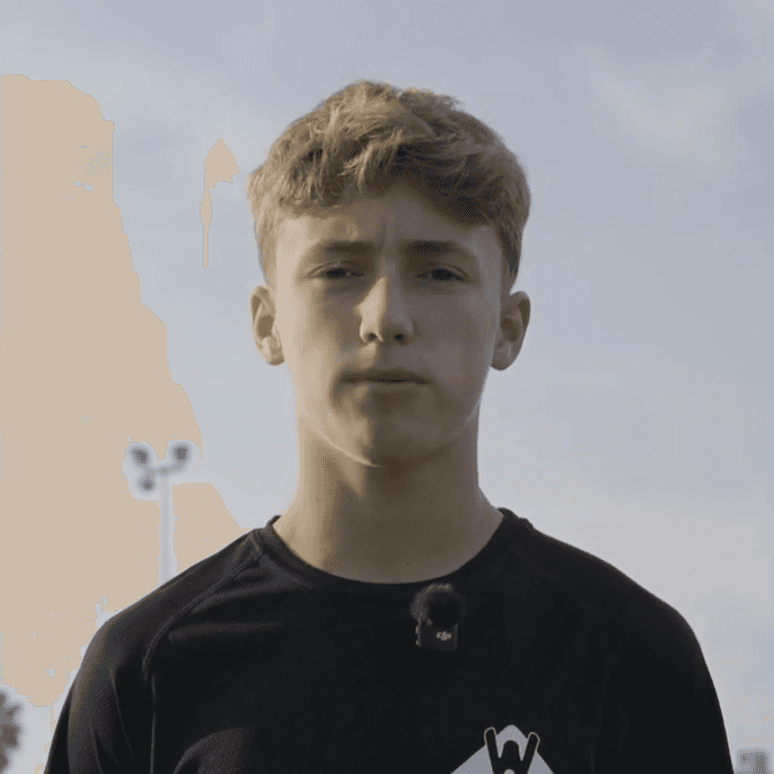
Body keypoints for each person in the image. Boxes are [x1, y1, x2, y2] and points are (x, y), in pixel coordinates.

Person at [44, 80, 734, 773]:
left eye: (438, 272)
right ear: (267, 321)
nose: (386, 317)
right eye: (338, 270)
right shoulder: (146, 671)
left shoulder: (632, 661)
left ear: (508, 327)